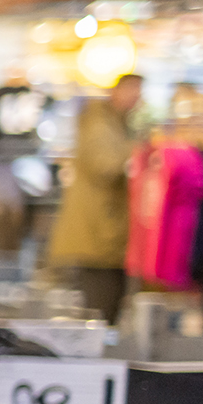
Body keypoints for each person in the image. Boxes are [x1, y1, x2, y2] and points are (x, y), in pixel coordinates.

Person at [48, 73, 142, 321]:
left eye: (139, 92)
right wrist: (137, 152)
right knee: (101, 306)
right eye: (132, 91)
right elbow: (106, 167)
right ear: (116, 92)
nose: (136, 98)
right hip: (98, 228)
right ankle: (98, 356)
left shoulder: (116, 122)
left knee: (107, 302)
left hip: (106, 229)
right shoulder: (100, 123)